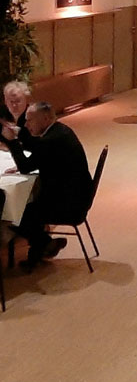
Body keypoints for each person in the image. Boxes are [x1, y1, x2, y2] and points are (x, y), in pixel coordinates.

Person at [1, 102, 93, 272]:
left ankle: (42, 246)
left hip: (70, 204)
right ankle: (43, 246)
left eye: (30, 120)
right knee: (25, 208)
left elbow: (26, 166)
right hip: (78, 194)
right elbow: (36, 150)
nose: (26, 124)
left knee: (16, 214)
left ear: (45, 119)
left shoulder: (51, 140)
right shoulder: (60, 131)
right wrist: (18, 136)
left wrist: (12, 141)